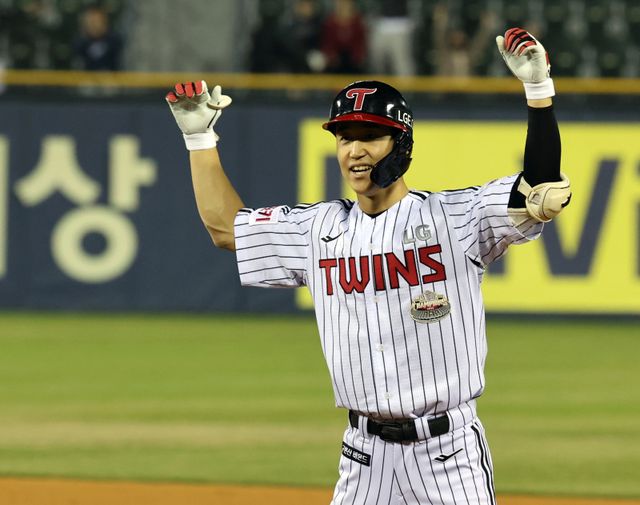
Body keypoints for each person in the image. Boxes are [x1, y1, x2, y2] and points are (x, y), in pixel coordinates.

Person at [166, 27, 570, 505]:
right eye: (344, 138)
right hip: (363, 456)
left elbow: (540, 190)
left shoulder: (455, 218)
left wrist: (538, 90)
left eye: (369, 137)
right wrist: (199, 139)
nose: (354, 151)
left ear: (401, 144)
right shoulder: (318, 230)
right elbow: (225, 229)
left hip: (447, 454)